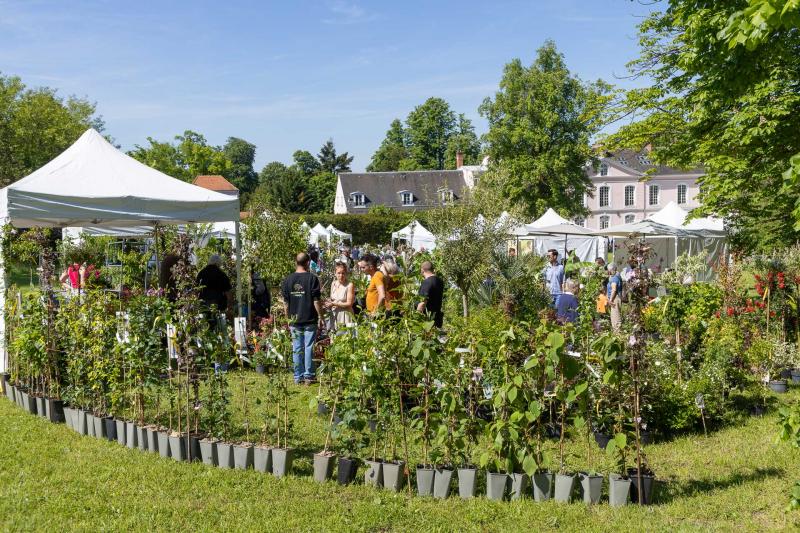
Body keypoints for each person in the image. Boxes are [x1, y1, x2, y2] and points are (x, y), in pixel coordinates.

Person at [281, 252, 323, 384]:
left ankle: (298, 376)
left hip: (294, 319)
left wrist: (288, 318)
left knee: (297, 348)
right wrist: (321, 316)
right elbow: (316, 300)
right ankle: (309, 376)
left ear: (296, 262)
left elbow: (285, 303)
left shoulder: (288, 280)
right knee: (308, 347)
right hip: (310, 317)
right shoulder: (312, 278)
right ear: (308, 263)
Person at [325, 262, 355, 329]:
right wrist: (327, 302)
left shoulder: (350, 285)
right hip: (334, 315)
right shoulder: (333, 284)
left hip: (346, 315)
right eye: (339, 273)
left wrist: (333, 303)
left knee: (346, 337)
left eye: (343, 273)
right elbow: (331, 299)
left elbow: (349, 304)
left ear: (346, 273)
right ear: (335, 273)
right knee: (334, 336)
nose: (341, 275)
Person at [417, 261, 444, 328]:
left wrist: (416, 317)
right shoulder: (440, 281)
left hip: (427, 321)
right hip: (437, 319)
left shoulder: (427, 282)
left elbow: (422, 303)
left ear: (422, 270)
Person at [607, 264, 623, 332]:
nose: (608, 272)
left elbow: (614, 289)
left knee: (615, 318)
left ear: (611, 270)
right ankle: (616, 334)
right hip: (615, 298)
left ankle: (618, 335)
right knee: (614, 317)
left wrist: (610, 300)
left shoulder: (614, 278)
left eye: (608, 270)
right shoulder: (616, 276)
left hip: (614, 299)